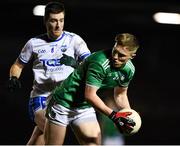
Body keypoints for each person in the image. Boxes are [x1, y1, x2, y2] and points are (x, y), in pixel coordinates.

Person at [7, 1, 91, 145]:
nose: (58, 25)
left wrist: (75, 63)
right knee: (52, 131)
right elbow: (18, 65)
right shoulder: (34, 43)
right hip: (41, 99)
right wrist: (13, 77)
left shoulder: (74, 40)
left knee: (40, 138)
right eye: (53, 21)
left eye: (61, 20)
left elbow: (90, 64)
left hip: (64, 99)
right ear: (46, 21)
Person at [44, 33, 140, 145]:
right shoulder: (100, 62)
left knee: (93, 143)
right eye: (115, 51)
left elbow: (120, 95)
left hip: (83, 106)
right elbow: (90, 95)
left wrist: (128, 114)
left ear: (132, 56)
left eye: (121, 55)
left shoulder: (129, 70)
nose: (115, 57)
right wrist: (114, 116)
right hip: (63, 102)